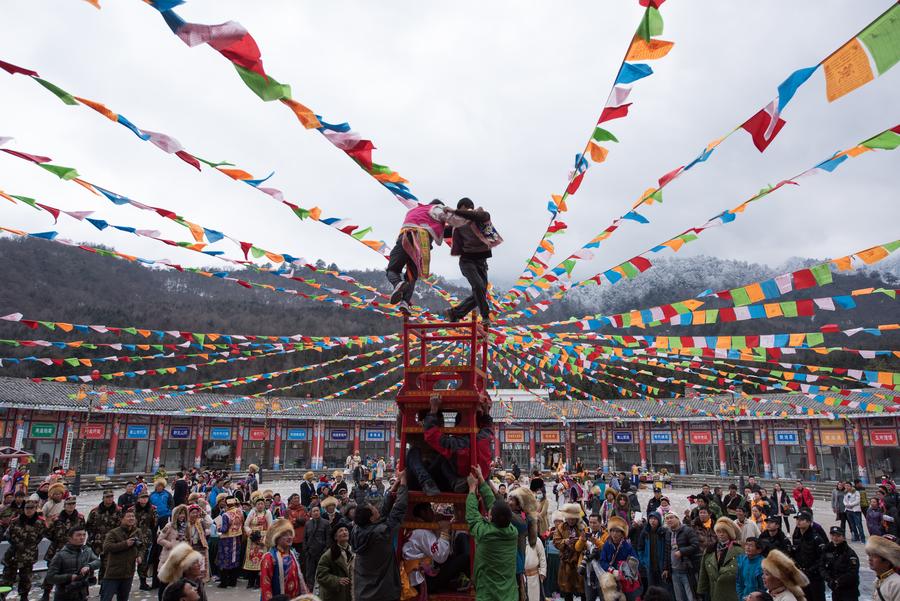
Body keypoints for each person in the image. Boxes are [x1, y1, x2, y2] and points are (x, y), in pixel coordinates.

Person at [387, 199, 472, 313]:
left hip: (405, 238)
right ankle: (404, 302)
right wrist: (469, 219)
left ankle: (398, 284)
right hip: (421, 242)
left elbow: (440, 230)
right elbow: (453, 222)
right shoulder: (436, 209)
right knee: (411, 275)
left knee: (392, 269)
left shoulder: (414, 210)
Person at [351, 469, 408, 601]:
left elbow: (382, 511)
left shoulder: (357, 530)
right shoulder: (380, 534)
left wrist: (395, 486)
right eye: (373, 508)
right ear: (371, 518)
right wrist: (404, 483)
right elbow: (399, 510)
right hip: (382, 593)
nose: (376, 507)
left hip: (364, 592)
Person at [466, 465, 518, 601]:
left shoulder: (485, 533)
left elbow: (472, 516)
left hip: (487, 595)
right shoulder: (512, 532)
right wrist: (482, 479)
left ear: (490, 518)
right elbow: (493, 505)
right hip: (509, 596)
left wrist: (472, 489)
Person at [447, 198, 502, 323]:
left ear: (466, 207)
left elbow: (474, 215)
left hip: (481, 262)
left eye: (461, 211)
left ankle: (455, 313)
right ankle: (485, 316)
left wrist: (455, 211)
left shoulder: (482, 216)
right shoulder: (457, 224)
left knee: (481, 291)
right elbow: (442, 231)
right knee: (478, 286)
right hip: (466, 261)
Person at [401, 502, 452, 597]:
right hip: (423, 580)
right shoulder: (421, 532)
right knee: (464, 558)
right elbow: (441, 556)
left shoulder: (417, 529)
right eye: (430, 510)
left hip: (418, 578)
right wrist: (445, 531)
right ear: (423, 513)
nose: (433, 513)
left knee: (453, 558)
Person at [41, 495, 86, 601]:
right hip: (57, 549)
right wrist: (58, 540)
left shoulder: (80, 518)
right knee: (52, 572)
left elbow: (83, 531)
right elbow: (48, 532)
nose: (71, 506)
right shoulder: (56, 518)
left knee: (74, 572)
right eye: (69, 504)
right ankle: (46, 593)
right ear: (64, 505)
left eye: (73, 504)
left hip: (74, 550)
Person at [1, 499, 46, 600]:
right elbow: (8, 535)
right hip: (13, 555)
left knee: (26, 578)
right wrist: (18, 544)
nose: (29, 510)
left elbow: (39, 537)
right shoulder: (15, 521)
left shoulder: (40, 522)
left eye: (31, 508)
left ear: (35, 509)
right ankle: (2, 596)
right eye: (26, 508)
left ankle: (24, 596)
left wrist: (29, 546)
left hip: (28, 555)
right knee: (7, 579)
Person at [45, 523, 101, 601]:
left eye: (84, 535)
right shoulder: (61, 555)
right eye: (78, 535)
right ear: (70, 538)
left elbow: (98, 562)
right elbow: (50, 577)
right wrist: (69, 577)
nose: (82, 538)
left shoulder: (87, 550)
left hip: (82, 593)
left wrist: (89, 566)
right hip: (65, 594)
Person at [259, 518, 308, 601]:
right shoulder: (269, 557)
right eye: (285, 535)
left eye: (290, 534)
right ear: (277, 538)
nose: (289, 537)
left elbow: (299, 578)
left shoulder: (292, 553)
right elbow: (265, 585)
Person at [698, 517, 743, 601]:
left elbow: (742, 573)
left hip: (731, 593)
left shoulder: (738, 550)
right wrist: (701, 590)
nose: (721, 534)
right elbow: (703, 571)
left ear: (729, 533)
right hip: (713, 592)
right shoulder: (710, 549)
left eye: (724, 532)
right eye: (718, 532)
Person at [100, 510, 142, 601]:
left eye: (132, 516)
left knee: (123, 598)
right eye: (128, 516)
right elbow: (106, 547)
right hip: (113, 573)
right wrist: (125, 544)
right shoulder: (114, 533)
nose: (131, 518)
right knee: (106, 598)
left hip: (128, 572)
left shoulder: (137, 531)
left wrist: (139, 556)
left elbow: (142, 547)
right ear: (122, 519)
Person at [596, 515, 640, 601]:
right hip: (610, 577)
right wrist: (612, 570)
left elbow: (635, 560)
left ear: (622, 533)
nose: (615, 534)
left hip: (624, 578)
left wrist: (625, 570)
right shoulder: (607, 545)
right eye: (612, 531)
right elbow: (602, 561)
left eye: (618, 531)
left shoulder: (627, 546)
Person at [790, 511, 827, 601]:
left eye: (802, 520)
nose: (798, 521)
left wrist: (810, 570)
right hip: (801, 576)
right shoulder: (797, 537)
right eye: (797, 519)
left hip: (814, 578)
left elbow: (822, 558)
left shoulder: (816, 538)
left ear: (809, 522)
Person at [553, 502, 586, 601]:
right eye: (569, 518)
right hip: (566, 562)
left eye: (573, 519)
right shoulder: (561, 527)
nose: (571, 521)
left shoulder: (582, 527)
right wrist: (565, 542)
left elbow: (587, 541)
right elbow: (556, 541)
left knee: (582, 588)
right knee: (567, 588)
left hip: (579, 561)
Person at [663, 513, 699, 601]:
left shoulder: (687, 530)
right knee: (679, 597)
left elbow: (695, 545)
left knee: (691, 596)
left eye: (671, 518)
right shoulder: (668, 533)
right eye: (667, 519)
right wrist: (666, 568)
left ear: (677, 518)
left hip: (687, 570)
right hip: (674, 571)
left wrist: (682, 552)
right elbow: (667, 552)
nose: (669, 520)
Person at [86, 488, 122, 579]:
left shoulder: (118, 511)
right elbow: (88, 525)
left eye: (111, 497)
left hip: (109, 542)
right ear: (103, 498)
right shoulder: (95, 511)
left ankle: (103, 585)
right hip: (96, 541)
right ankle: (89, 580)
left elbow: (120, 527)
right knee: (90, 562)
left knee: (106, 565)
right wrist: (91, 537)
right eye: (107, 497)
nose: (109, 499)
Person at [316, 520, 353, 601]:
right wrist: (337, 580)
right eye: (341, 531)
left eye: (346, 530)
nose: (344, 532)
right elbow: (320, 576)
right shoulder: (329, 555)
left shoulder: (353, 552)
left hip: (350, 594)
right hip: (335, 595)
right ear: (335, 537)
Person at [819, 526, 859, 601]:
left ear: (843, 537)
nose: (835, 538)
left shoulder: (849, 553)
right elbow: (821, 566)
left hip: (849, 591)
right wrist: (829, 580)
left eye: (838, 536)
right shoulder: (827, 549)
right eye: (833, 535)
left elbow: (853, 572)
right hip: (835, 590)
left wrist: (838, 581)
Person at [244, 495, 274, 589]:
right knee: (251, 560)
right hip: (252, 539)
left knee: (261, 560)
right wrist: (250, 533)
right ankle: (250, 581)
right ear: (255, 505)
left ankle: (258, 581)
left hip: (262, 539)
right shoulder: (252, 512)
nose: (260, 505)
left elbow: (270, 527)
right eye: (258, 504)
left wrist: (264, 540)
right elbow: (246, 525)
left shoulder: (267, 513)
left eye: (262, 504)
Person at [214, 497, 244, 588]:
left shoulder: (225, 515)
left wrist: (218, 527)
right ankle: (233, 581)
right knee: (234, 559)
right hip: (237, 537)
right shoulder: (239, 512)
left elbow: (224, 529)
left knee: (225, 560)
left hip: (227, 540)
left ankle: (224, 582)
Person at [637, 511, 667, 591]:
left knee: (662, 589)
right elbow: (640, 548)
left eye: (655, 519)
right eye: (651, 519)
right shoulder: (645, 532)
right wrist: (643, 560)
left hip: (660, 566)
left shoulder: (663, 532)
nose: (652, 521)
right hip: (649, 566)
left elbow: (667, 549)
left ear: (659, 520)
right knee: (652, 589)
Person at [134, 490, 158, 590]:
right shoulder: (133, 509)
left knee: (146, 560)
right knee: (138, 559)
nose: (144, 499)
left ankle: (143, 582)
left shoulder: (152, 509)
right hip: (136, 536)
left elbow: (155, 523)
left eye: (146, 498)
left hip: (149, 537)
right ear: (138, 499)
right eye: (142, 498)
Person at [866, 535, 900, 601]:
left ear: (888, 560)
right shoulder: (879, 579)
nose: (870, 559)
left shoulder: (896, 584)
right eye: (869, 555)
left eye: (875, 556)